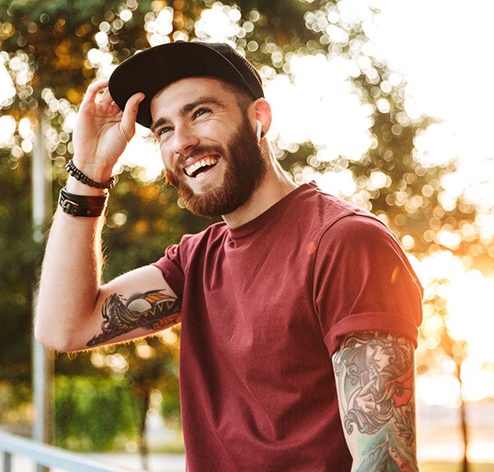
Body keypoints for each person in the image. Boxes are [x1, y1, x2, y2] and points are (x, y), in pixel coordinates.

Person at [35, 41, 423, 471]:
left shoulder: (345, 242)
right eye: (163, 129)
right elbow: (63, 328)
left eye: (200, 112)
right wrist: (89, 170)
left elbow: (385, 463)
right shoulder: (196, 261)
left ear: (259, 119)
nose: (181, 141)